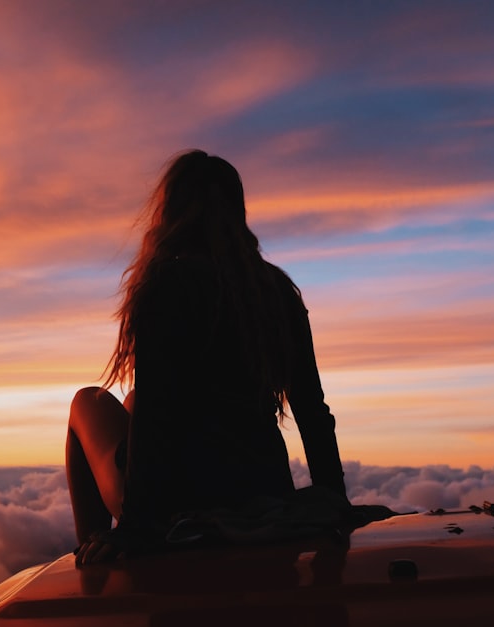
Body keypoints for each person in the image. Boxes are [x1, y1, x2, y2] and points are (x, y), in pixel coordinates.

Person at [65, 150, 347, 563]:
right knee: (131, 401)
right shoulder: (276, 290)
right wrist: (333, 499)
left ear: (170, 211)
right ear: (237, 211)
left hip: (178, 497)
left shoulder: (168, 282)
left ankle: (93, 560)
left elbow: (158, 412)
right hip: (263, 486)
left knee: (86, 401)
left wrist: (136, 526)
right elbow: (312, 409)